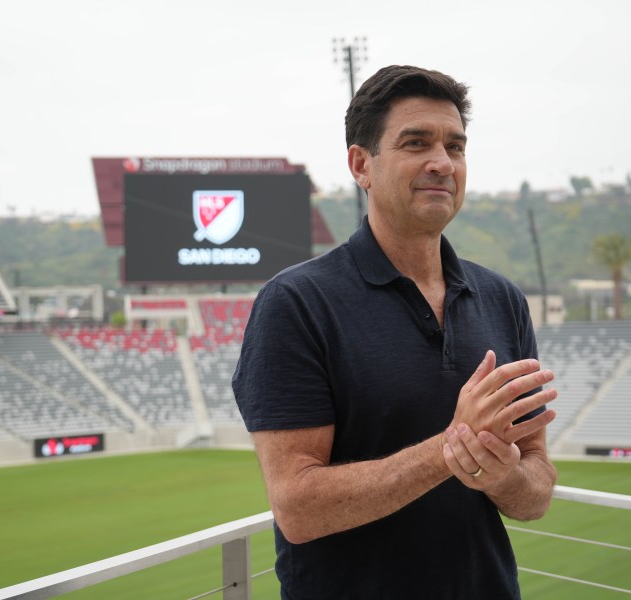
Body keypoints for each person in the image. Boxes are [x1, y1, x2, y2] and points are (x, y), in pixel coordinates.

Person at [232, 64, 558, 599]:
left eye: (455, 146)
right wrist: (453, 447)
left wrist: (501, 476)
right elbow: (298, 507)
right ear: (361, 165)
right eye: (416, 143)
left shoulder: (502, 299)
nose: (442, 163)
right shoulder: (296, 303)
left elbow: (536, 490)